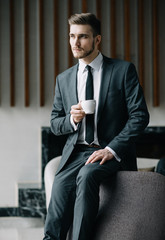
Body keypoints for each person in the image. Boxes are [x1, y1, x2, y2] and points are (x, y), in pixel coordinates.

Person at [43, 13, 149, 240]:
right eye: (72, 36)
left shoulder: (122, 71)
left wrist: (111, 150)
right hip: (77, 153)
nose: (75, 42)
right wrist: (72, 120)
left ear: (97, 40)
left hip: (111, 152)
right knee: (60, 187)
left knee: (88, 175)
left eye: (82, 37)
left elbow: (140, 116)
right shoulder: (64, 79)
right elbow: (54, 124)